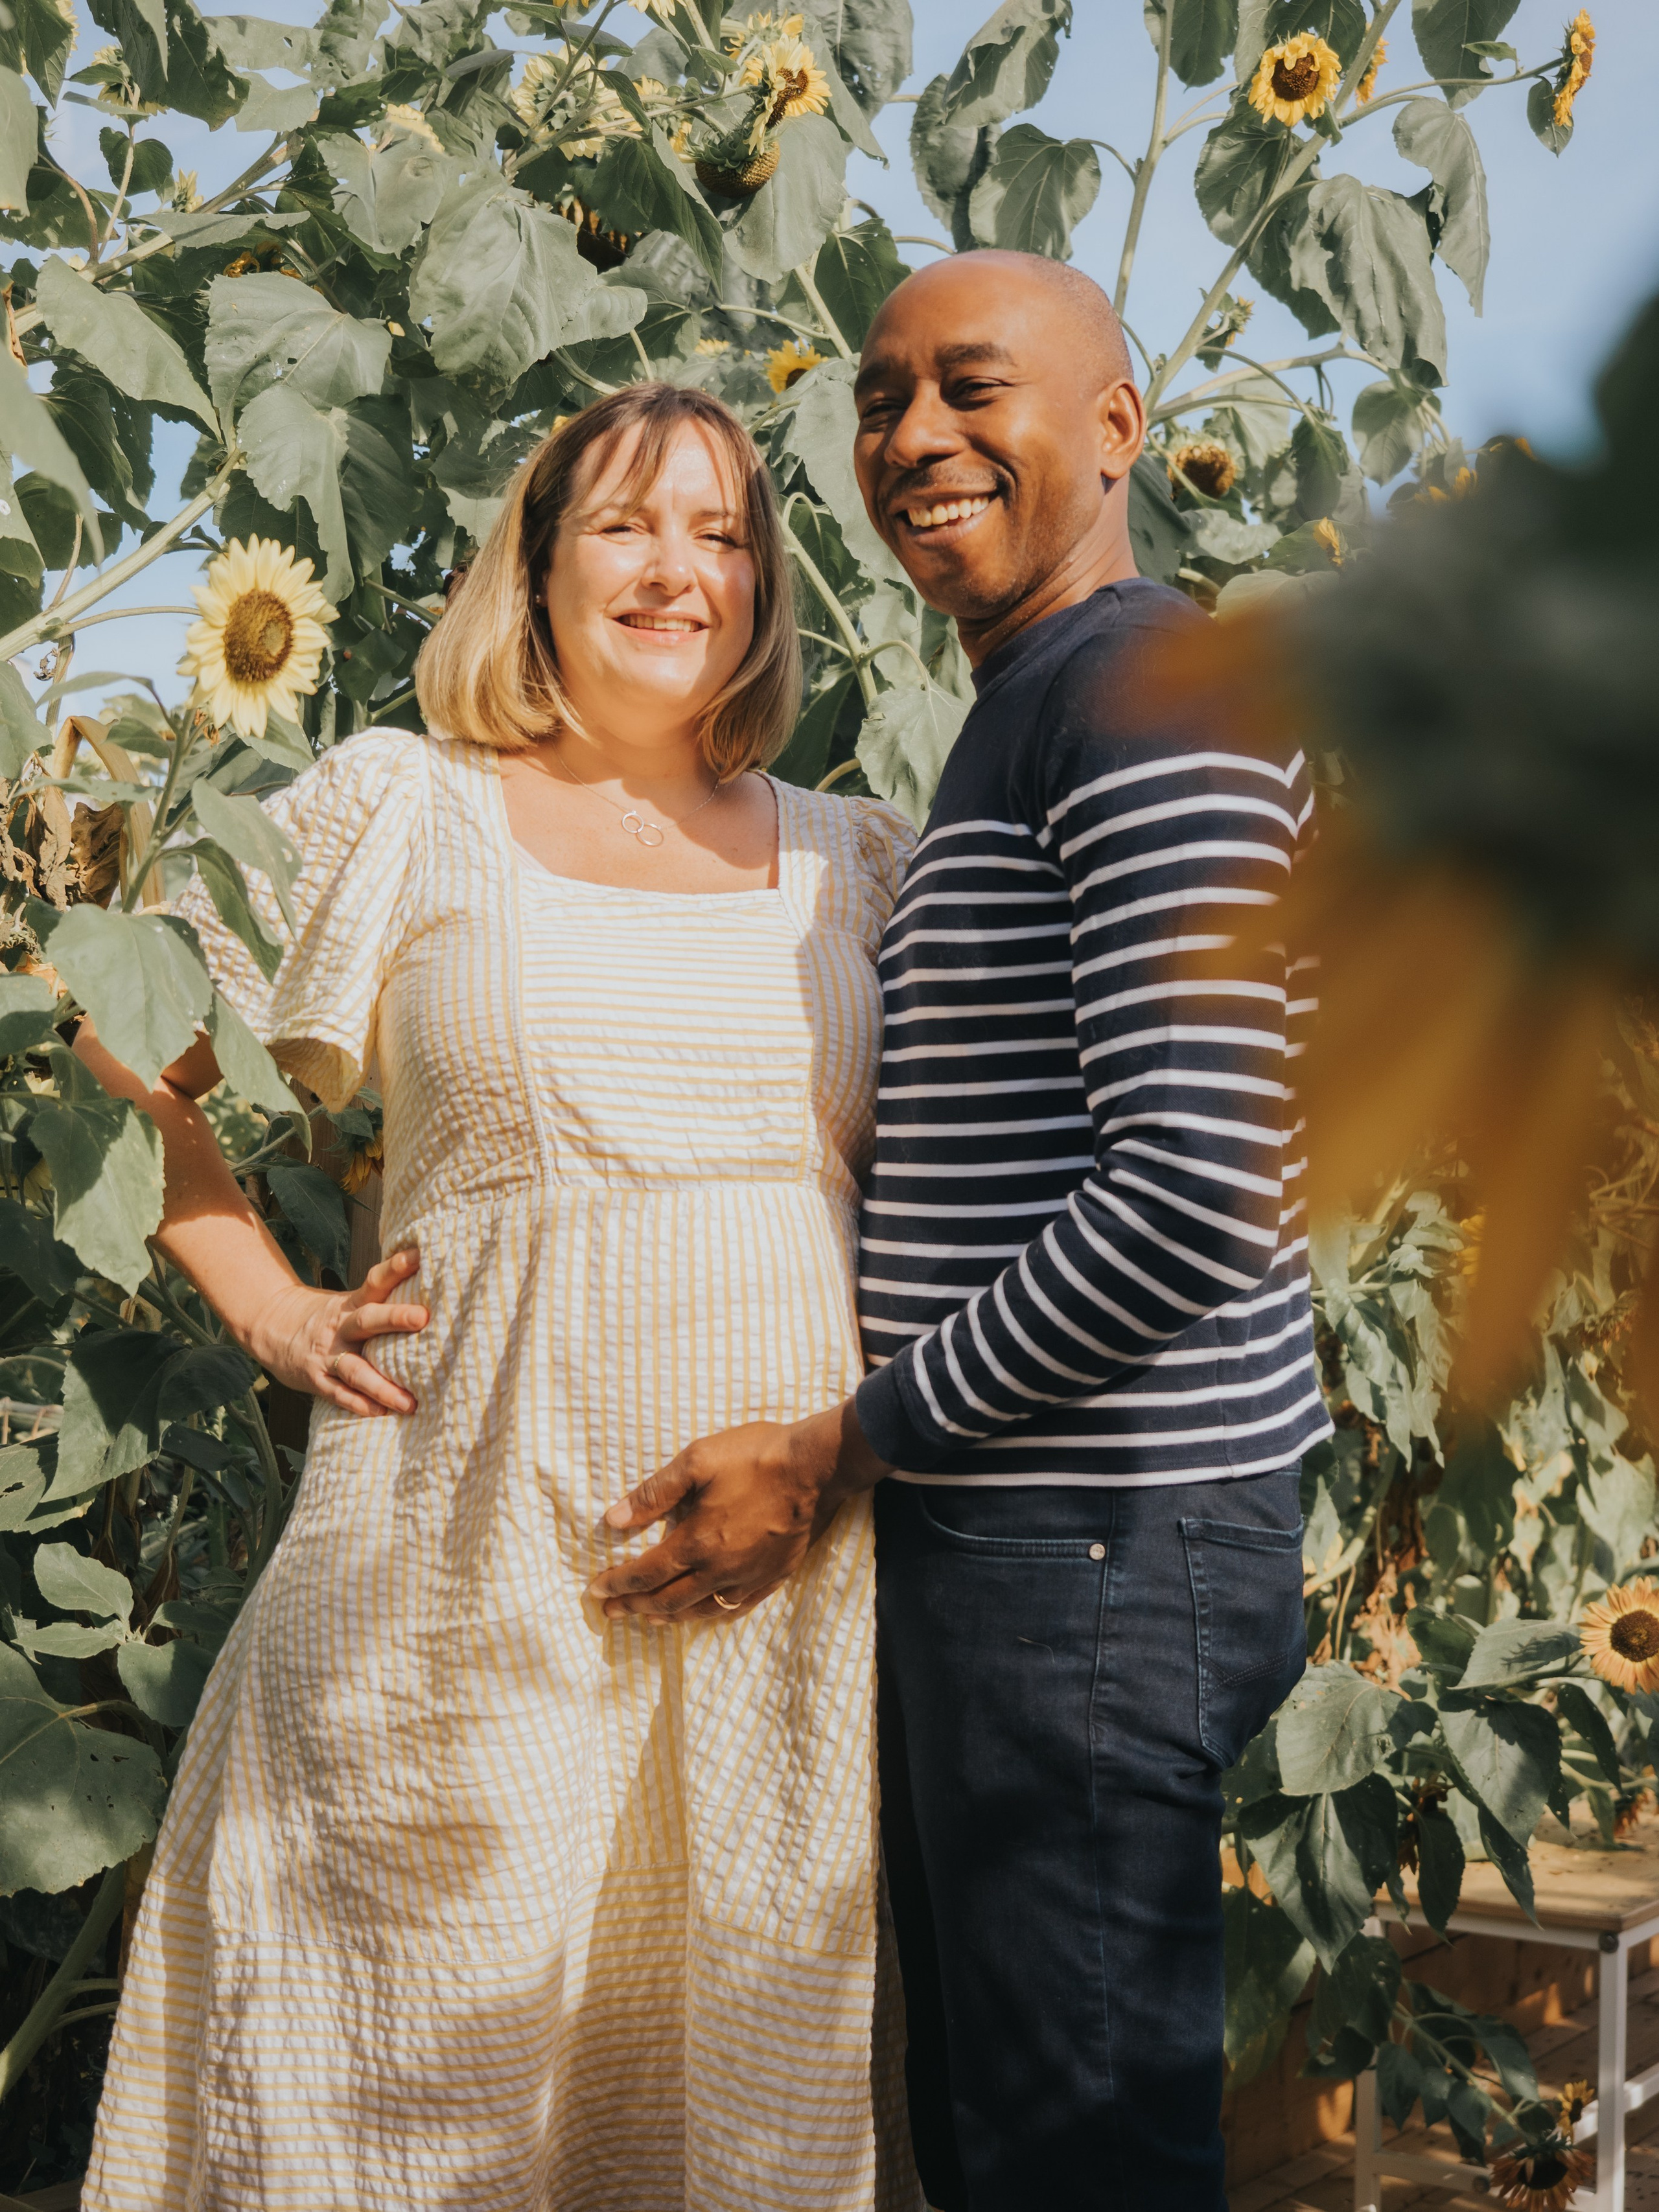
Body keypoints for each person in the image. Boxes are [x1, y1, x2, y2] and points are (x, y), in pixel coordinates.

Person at [82, 384, 922, 2212]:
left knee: (721, 2104)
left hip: (774, 1605)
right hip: (455, 1570)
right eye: (624, 523)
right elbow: (124, 1018)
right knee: (392, 2087)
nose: (675, 569)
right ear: (533, 568)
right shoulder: (408, 807)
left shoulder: (855, 857)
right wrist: (262, 1295)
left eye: (720, 532)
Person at [588, 253, 1331, 2209]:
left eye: (971, 388)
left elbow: (1196, 1187)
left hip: (1091, 1544)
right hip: (1052, 1537)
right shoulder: (1050, 708)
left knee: (1072, 2147)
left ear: (1116, 427)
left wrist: (848, 1439)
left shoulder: (1148, 699)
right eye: (881, 394)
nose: (911, 437)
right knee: (1013, 2127)